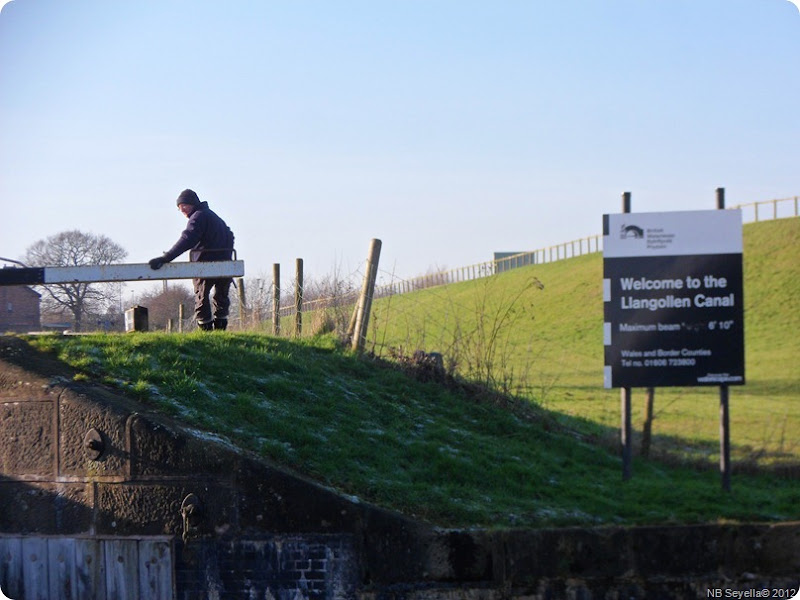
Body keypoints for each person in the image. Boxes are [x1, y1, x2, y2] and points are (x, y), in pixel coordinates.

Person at [149, 189, 235, 331]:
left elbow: (187, 239)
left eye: (183, 205)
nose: (181, 209)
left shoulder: (198, 217)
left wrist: (166, 258)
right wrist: (226, 256)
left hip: (204, 265)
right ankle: (221, 332)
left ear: (192, 203)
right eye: (179, 207)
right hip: (225, 264)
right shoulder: (213, 216)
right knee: (221, 297)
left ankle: (206, 332)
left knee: (201, 296)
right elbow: (230, 235)